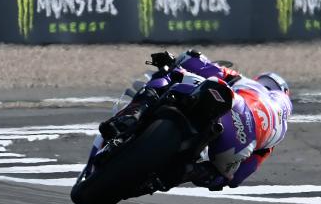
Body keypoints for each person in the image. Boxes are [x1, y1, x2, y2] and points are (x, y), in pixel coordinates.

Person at [99, 50, 292, 191]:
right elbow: (238, 178)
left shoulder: (251, 85)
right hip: (242, 143)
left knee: (171, 76)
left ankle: (131, 116)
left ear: (264, 82)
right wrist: (215, 178)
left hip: (235, 104)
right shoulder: (277, 134)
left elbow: (200, 64)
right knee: (214, 174)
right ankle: (175, 175)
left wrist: (175, 60)